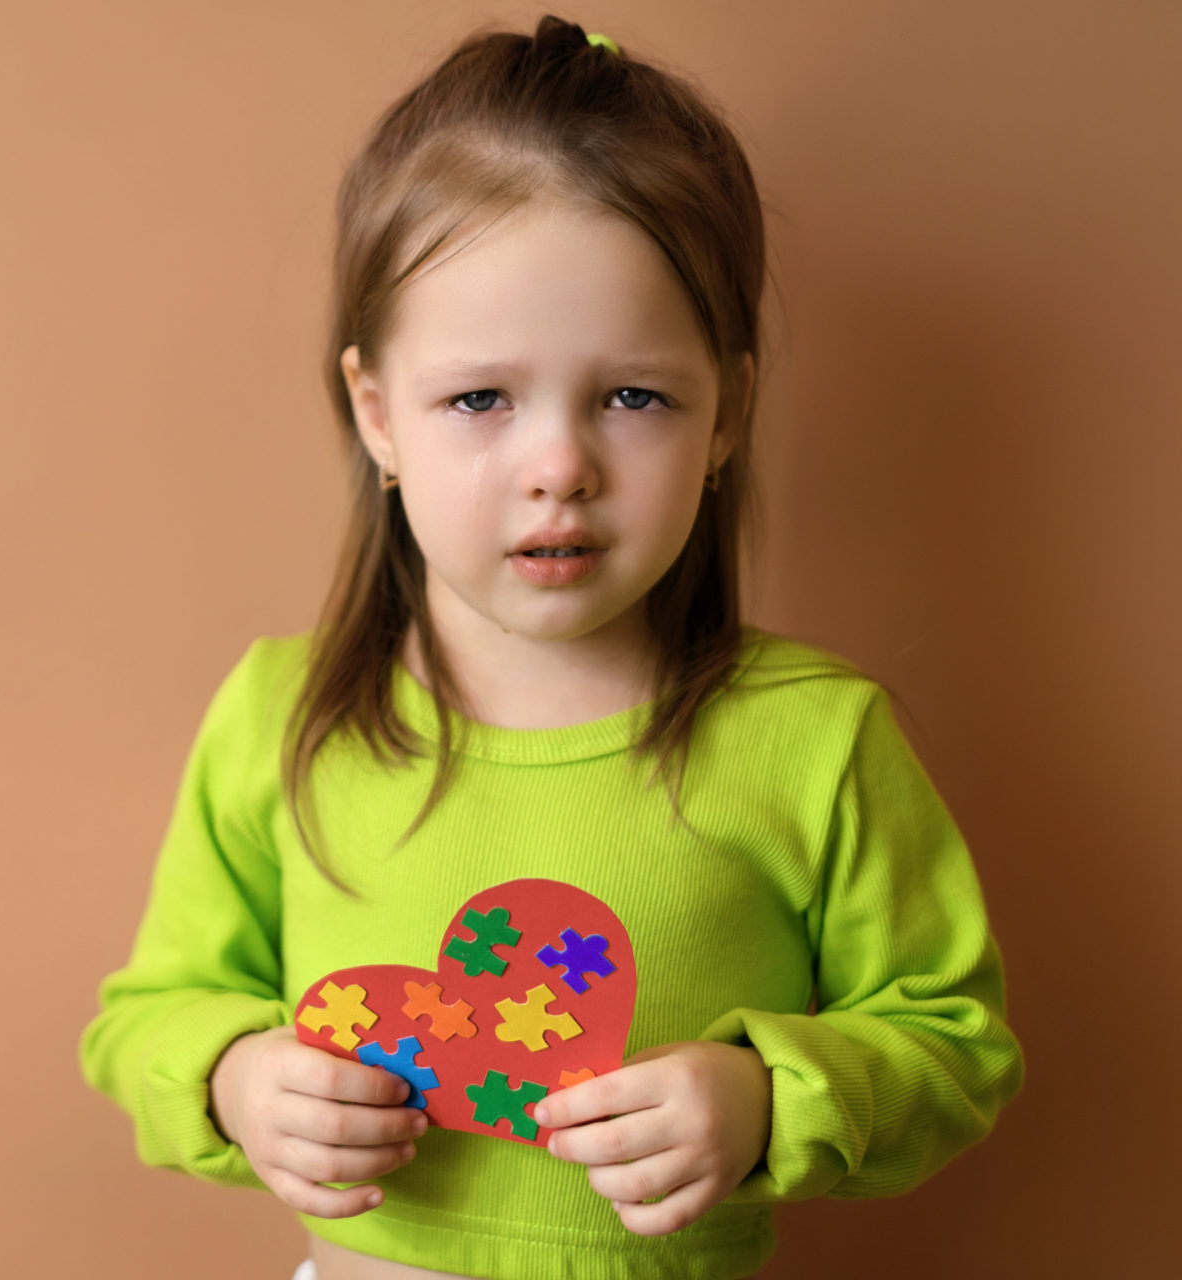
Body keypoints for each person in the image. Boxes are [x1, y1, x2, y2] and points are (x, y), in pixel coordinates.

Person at [77, 15, 1024, 1280]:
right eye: (480, 399)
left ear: (727, 409)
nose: (560, 468)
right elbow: (145, 1012)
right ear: (378, 413)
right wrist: (237, 1076)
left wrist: (764, 1098)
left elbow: (957, 1040)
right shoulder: (279, 714)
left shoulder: (815, 737)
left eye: (633, 395)